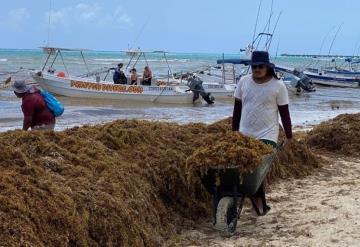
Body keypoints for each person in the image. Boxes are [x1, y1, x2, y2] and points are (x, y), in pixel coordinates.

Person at [232, 50, 292, 215]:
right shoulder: (243, 82)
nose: (256, 69)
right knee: (244, 169)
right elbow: (237, 110)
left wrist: (289, 136)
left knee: (254, 167)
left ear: (267, 67)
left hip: (267, 135)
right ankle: (258, 203)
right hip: (245, 134)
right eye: (253, 66)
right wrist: (234, 132)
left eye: (260, 66)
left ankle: (258, 204)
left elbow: (284, 112)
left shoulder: (278, 86)